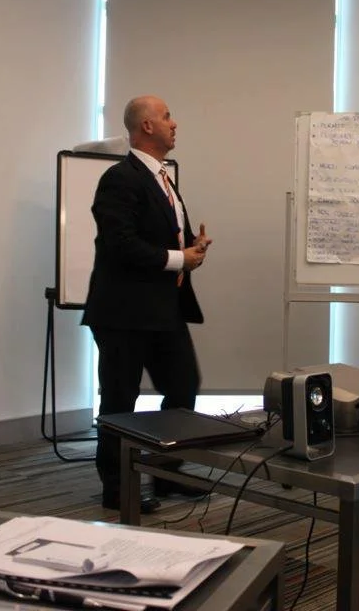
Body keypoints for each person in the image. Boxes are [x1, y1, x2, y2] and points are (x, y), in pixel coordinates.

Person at [82, 95, 212, 513]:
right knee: (120, 399)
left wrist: (191, 246)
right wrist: (178, 258)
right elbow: (119, 244)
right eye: (167, 116)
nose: (175, 123)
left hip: (163, 308)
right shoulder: (121, 178)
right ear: (147, 127)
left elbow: (163, 235)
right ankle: (117, 488)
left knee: (184, 384)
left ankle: (167, 472)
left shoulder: (164, 178)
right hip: (123, 311)